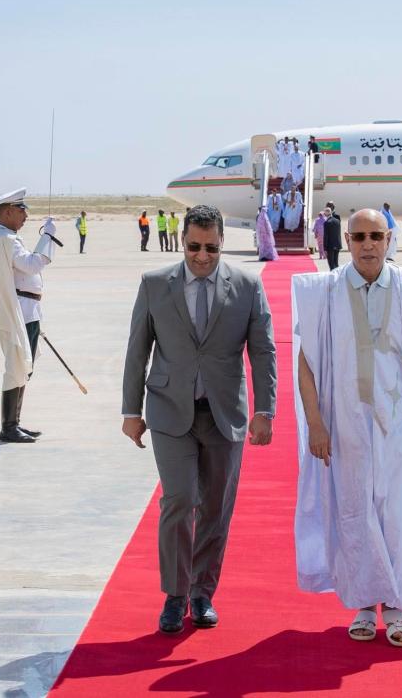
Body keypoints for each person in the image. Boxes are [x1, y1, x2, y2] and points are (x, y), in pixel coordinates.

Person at [294, 208, 402, 647]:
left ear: (389, 240)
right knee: (355, 511)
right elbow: (306, 362)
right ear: (347, 241)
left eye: (375, 236)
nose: (367, 244)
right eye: (359, 237)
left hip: (400, 426)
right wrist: (315, 423)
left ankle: (398, 606)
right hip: (344, 427)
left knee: (398, 515)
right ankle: (365, 604)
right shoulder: (325, 292)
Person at [121, 204, 276, 634]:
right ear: (183, 242)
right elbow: (137, 350)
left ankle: (202, 593)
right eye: (193, 247)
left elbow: (263, 351)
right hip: (170, 412)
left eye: (211, 248)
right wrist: (131, 411)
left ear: (222, 242)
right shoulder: (155, 284)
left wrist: (265, 410)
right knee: (179, 500)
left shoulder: (247, 285)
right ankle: (175, 595)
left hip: (225, 414)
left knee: (215, 507)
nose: (202, 256)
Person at [0, 188, 57, 443]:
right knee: (16, 365)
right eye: (22, 210)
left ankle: (15, 422)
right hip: (21, 312)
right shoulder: (7, 239)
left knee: (23, 366)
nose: (26, 216)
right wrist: (48, 237)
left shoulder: (6, 238)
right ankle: (9, 427)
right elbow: (32, 265)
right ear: (8, 212)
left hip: (27, 310)